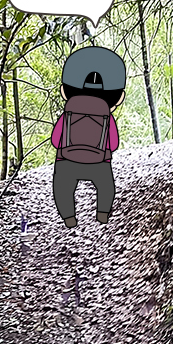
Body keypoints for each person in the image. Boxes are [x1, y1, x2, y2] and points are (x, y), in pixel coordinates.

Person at [50, 45, 125, 228]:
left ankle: (69, 217)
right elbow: (113, 144)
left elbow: (55, 139)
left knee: (62, 188)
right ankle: (102, 214)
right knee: (106, 186)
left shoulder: (67, 112)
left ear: (64, 91)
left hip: (66, 161)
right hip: (99, 163)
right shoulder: (107, 115)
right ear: (119, 97)